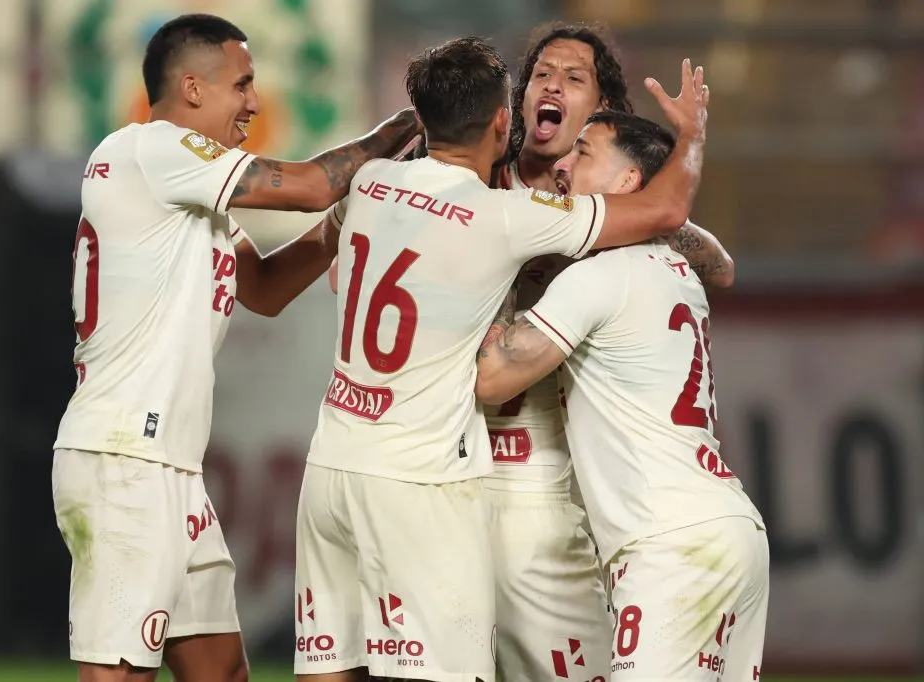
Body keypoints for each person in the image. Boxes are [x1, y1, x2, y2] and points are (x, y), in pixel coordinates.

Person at [293, 36, 709, 682]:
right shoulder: (508, 207)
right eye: (539, 73)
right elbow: (673, 216)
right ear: (505, 116)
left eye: (573, 78)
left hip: (506, 486)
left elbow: (714, 258)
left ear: (602, 114)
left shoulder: (382, 183)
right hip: (438, 474)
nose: (550, 85)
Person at [50, 13, 420, 682]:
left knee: (220, 671)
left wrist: (344, 220)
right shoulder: (150, 149)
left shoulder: (193, 197)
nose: (255, 101)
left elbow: (267, 289)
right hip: (125, 459)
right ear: (192, 87)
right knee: (119, 673)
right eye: (243, 84)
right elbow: (309, 183)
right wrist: (396, 133)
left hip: (168, 468)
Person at [474, 110, 768, 682]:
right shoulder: (676, 267)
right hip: (731, 532)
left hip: (670, 549)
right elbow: (715, 261)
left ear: (628, 183)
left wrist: (495, 265)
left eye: (582, 153)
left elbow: (492, 378)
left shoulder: (599, 277)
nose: (561, 164)